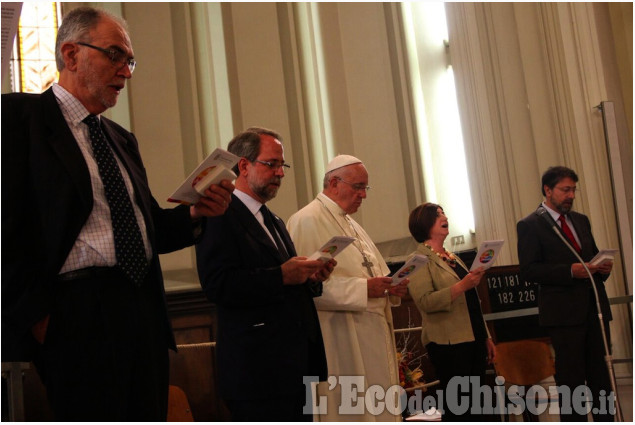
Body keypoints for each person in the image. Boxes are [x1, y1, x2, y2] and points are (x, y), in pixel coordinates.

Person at [1, 6, 235, 421]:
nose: (126, 72)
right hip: (74, 312)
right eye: (115, 55)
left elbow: (143, 230)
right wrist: (37, 317)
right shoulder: (19, 120)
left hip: (142, 309)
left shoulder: (120, 139)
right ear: (71, 55)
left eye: (130, 61)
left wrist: (197, 213)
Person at [195, 127, 335, 422]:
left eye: (281, 165)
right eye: (271, 164)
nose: (280, 173)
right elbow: (218, 284)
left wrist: (311, 278)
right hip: (257, 371)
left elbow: (286, 282)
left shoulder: (274, 220)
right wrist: (282, 276)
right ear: (243, 166)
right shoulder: (219, 214)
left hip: (295, 364)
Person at [287, 154, 408, 421]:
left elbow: (373, 274)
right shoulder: (307, 220)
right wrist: (364, 289)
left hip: (370, 333)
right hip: (338, 337)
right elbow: (304, 289)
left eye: (366, 188)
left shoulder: (351, 224)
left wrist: (389, 288)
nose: (363, 194)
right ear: (334, 183)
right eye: (358, 187)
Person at [517, 166, 613, 421]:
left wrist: (602, 267)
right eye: (565, 190)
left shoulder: (581, 220)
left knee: (602, 380)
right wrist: (569, 272)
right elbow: (529, 270)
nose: (570, 195)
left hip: (594, 309)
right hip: (564, 315)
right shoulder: (531, 225)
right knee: (572, 382)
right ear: (548, 190)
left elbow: (589, 257)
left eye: (573, 190)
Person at [406, 203, 496, 421]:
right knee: (459, 406)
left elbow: (472, 301)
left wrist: (486, 337)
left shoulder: (452, 258)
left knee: (479, 405)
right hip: (448, 343)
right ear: (425, 223)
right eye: (437, 215)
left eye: (443, 213)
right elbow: (425, 302)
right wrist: (461, 286)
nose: (444, 217)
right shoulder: (417, 261)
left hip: (473, 338)